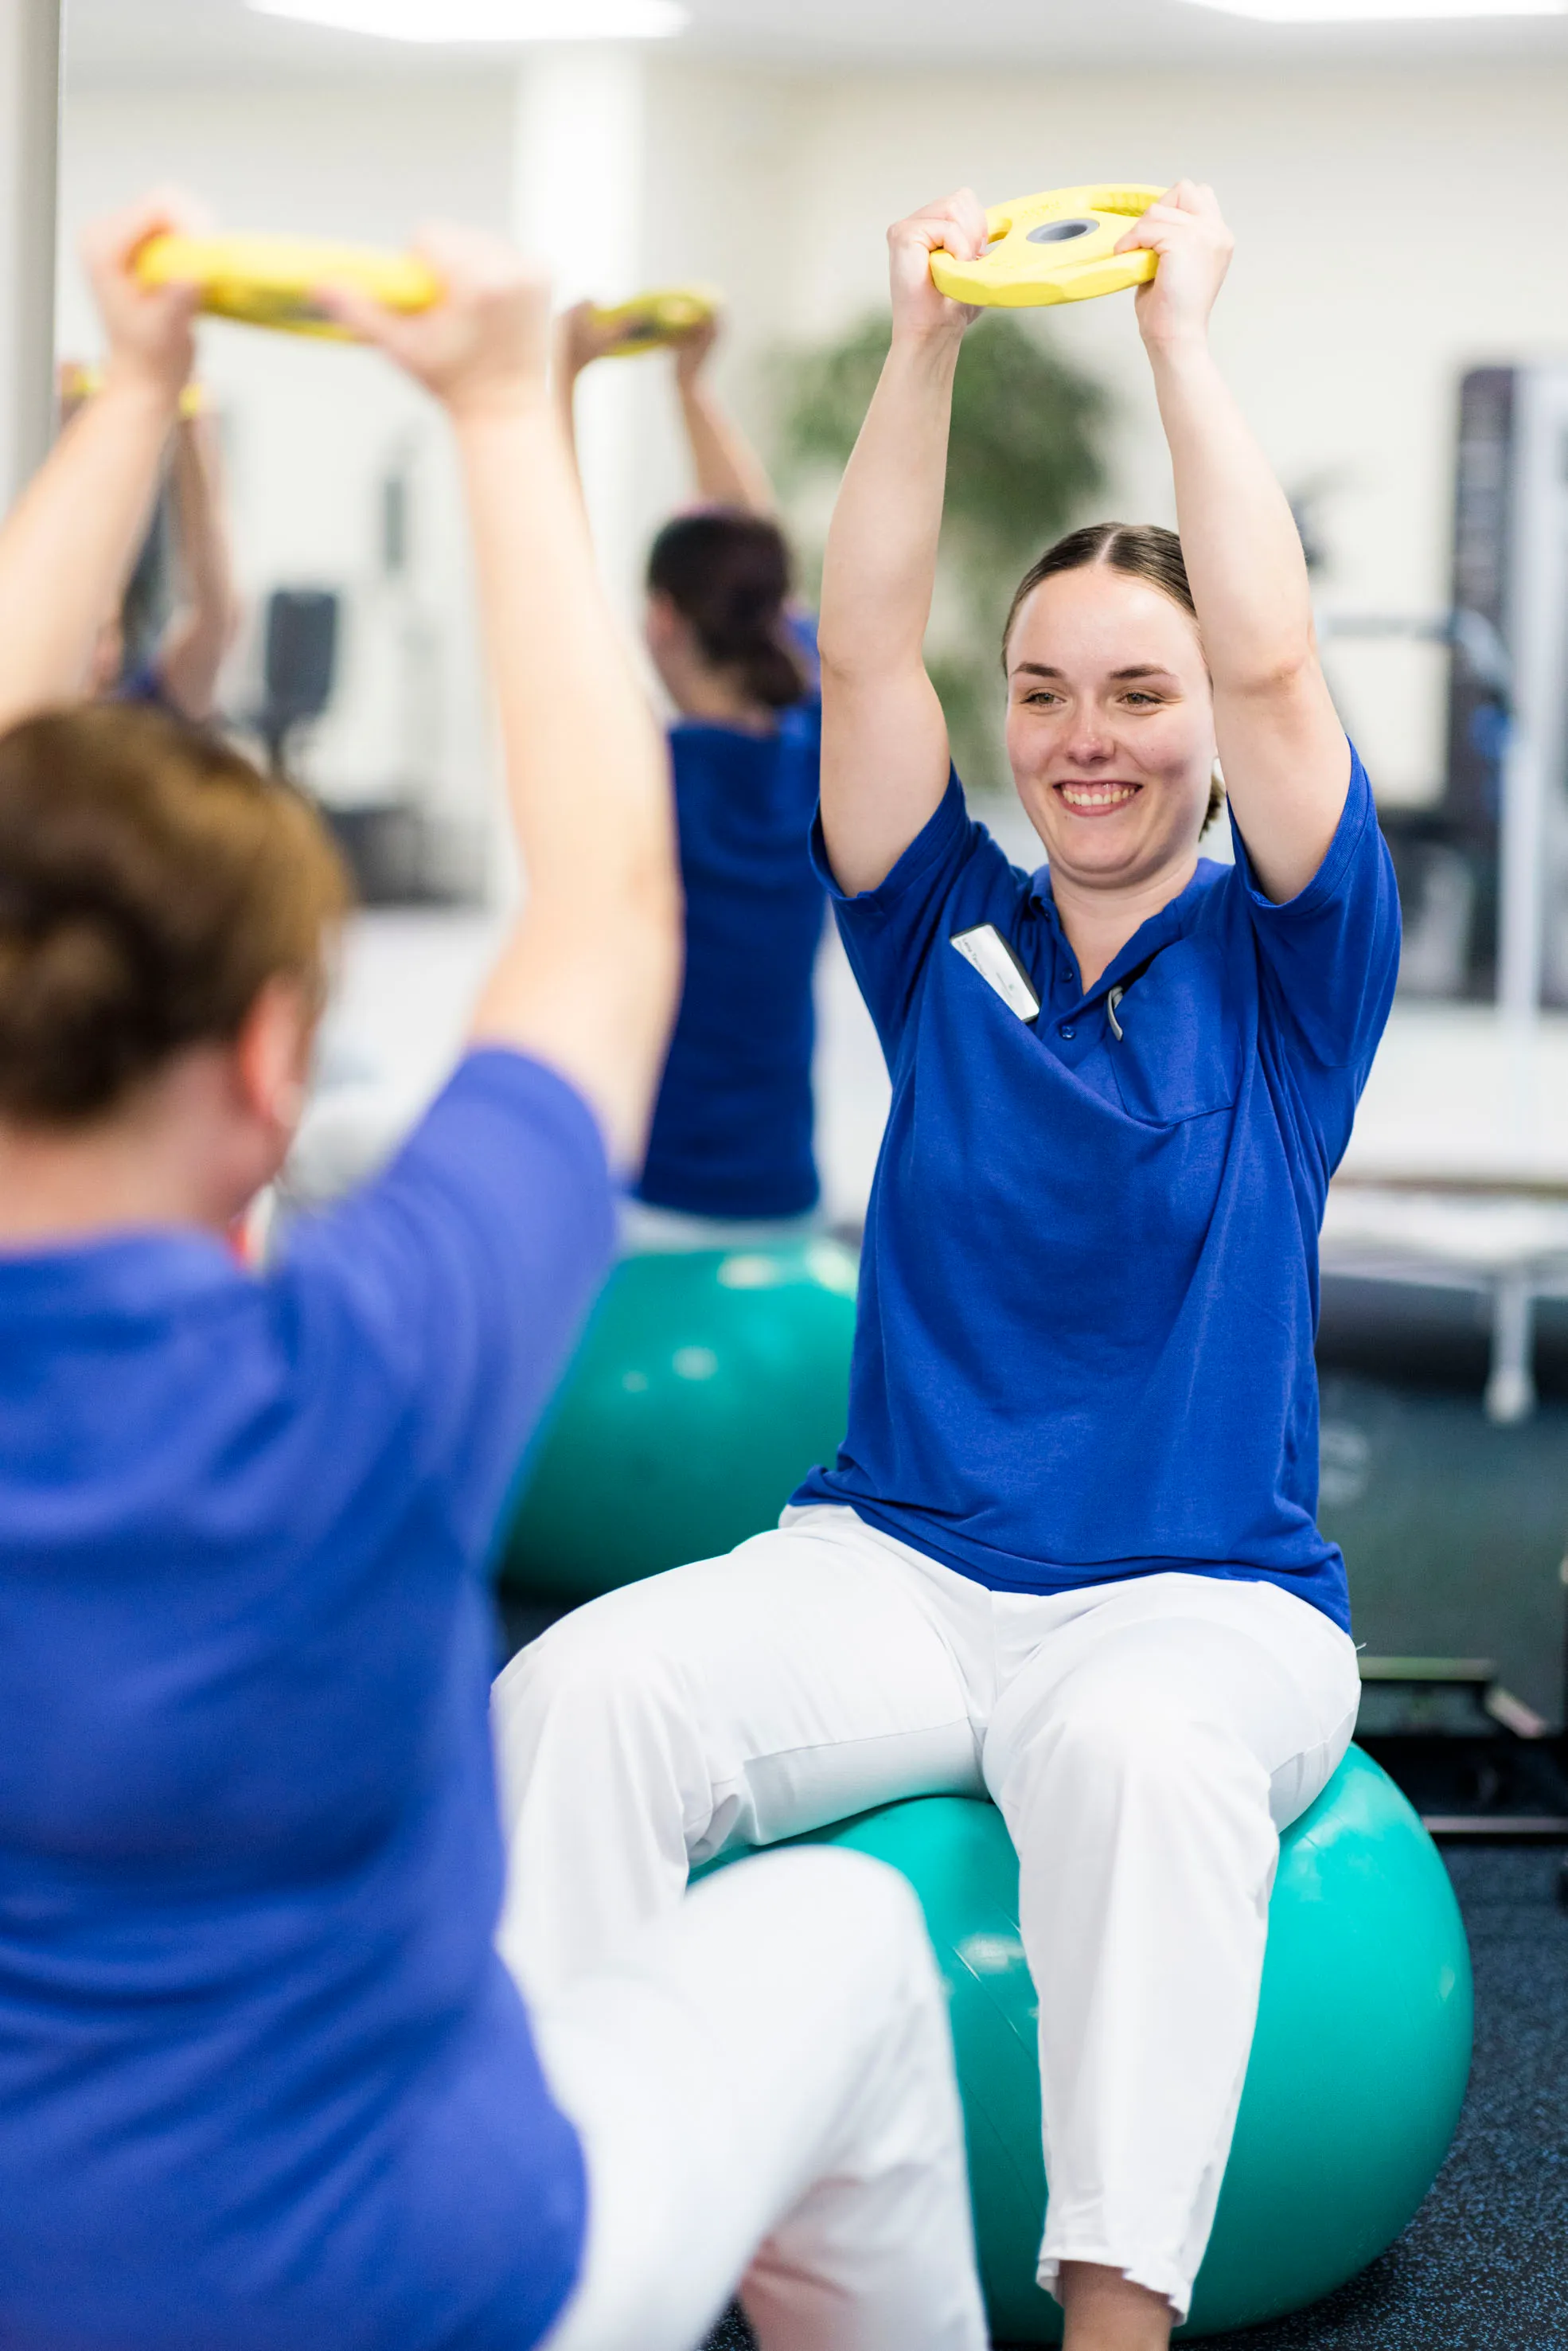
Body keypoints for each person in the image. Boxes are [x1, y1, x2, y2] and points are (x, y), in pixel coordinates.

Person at [0, 194, 988, 2351]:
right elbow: (603, 907)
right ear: (275, 1064)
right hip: (429, 2283)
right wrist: (494, 406)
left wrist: (136, 397)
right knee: (838, 1951)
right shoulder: (364, 1362)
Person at [496, 181, 1399, 2351]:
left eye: (1141, 695)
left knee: (1134, 1762)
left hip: (1199, 1594)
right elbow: (865, 643)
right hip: (896, 1569)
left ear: (1208, 725)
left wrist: (1181, 332)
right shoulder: (942, 928)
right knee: (575, 1692)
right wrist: (918, 345)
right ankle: (556, 2248)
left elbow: (1277, 658)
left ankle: (1113, 2326)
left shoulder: (1292, 969)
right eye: (1050, 691)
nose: (1090, 736)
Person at [556, 299, 825, 1240]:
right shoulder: (816, 742)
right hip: (786, 1196)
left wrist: (558, 382)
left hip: (656, 1205)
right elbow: (757, 544)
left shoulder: (646, 774)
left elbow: (554, 588)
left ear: (661, 621)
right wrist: (690, 386)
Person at [61, 360, 242, 722]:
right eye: (86, 636)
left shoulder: (142, 712)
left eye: (105, 635)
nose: (99, 658)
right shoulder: (24, 721)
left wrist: (190, 426)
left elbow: (217, 617)